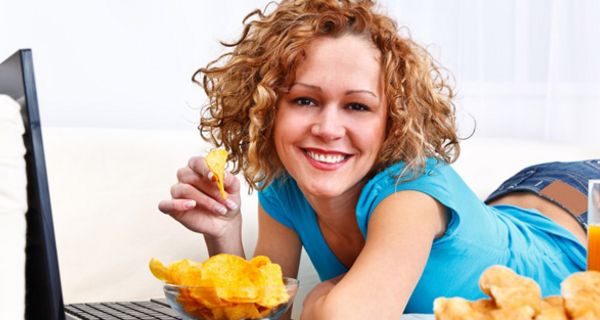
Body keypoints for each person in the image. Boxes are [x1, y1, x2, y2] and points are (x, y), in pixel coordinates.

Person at [158, 0, 600, 318]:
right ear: (268, 107)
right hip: (520, 201)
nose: (328, 128)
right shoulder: (283, 188)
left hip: (579, 209)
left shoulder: (409, 195)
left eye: (357, 106)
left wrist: (322, 299)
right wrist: (224, 233)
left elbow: (341, 317)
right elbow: (265, 306)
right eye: (305, 101)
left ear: (392, 121)